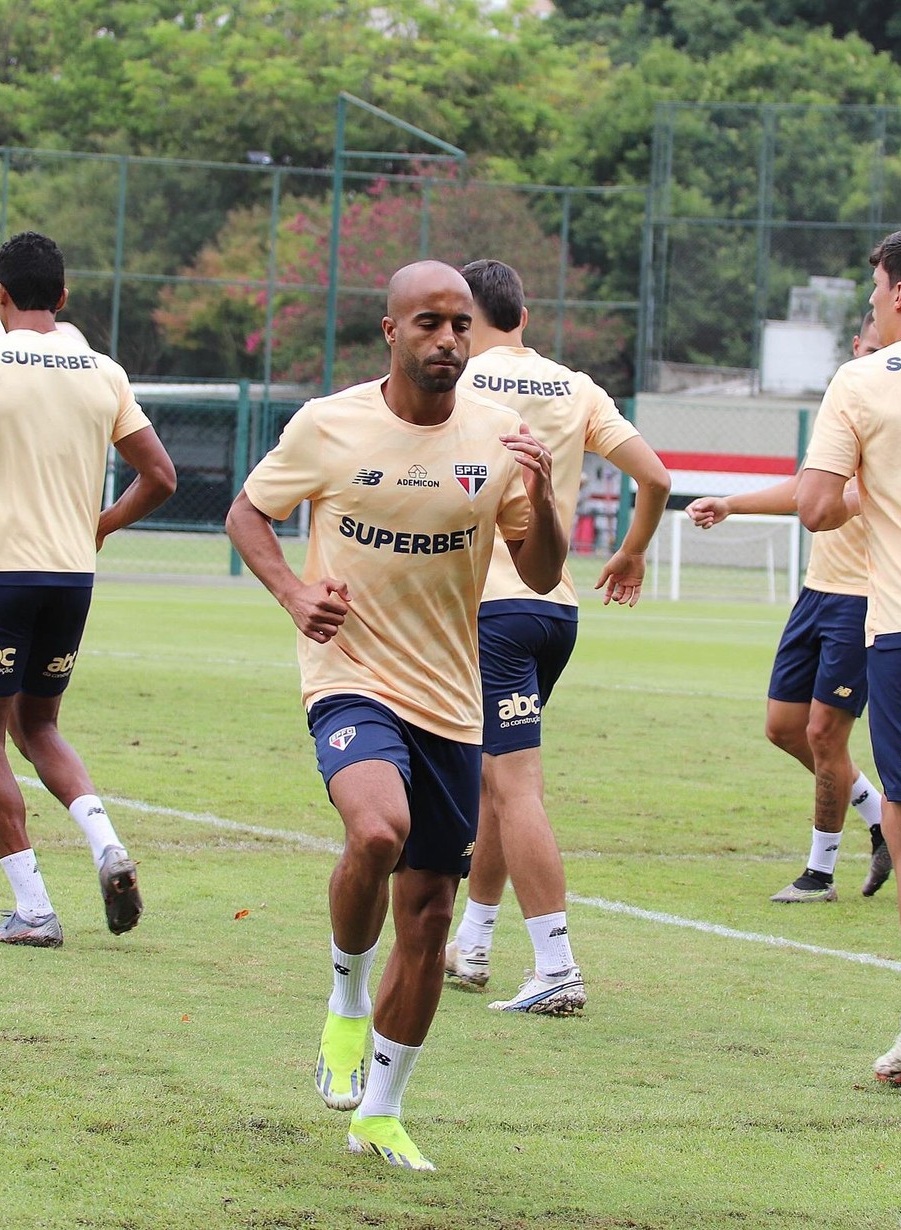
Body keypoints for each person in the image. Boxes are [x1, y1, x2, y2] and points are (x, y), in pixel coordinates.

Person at [225, 260, 566, 1171]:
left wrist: (547, 495)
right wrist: (297, 596)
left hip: (452, 703)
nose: (448, 339)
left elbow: (536, 572)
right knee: (376, 832)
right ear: (391, 331)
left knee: (428, 915)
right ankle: (344, 997)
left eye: (460, 324)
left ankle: (379, 1110)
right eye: (428, 323)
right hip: (351, 677)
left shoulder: (500, 436)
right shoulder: (330, 425)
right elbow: (248, 515)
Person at [444, 258, 670, 1013]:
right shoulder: (574, 386)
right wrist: (633, 548)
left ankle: (556, 966)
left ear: (466, 318)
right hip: (555, 609)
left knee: (515, 785)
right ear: (525, 316)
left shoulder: (461, 381)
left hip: (494, 607)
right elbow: (658, 478)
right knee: (496, 784)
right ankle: (473, 944)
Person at [0, 231, 176, 948]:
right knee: (39, 726)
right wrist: (101, 527)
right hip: (71, 580)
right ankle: (106, 843)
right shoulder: (102, 371)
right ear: (63, 295)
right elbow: (162, 477)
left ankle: (33, 910)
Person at [796, 225, 901, 1085]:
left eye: (878, 284)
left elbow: (816, 507)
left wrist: (873, 481)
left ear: (899, 293)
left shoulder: (862, 378)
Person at [685, 313, 890, 904]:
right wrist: (732, 503)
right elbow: (808, 489)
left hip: (866, 598)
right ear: (856, 347)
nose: (877, 357)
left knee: (826, 734)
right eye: (870, 348)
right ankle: (882, 819)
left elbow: (840, 499)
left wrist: (851, 494)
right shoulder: (847, 404)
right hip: (817, 592)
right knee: (784, 728)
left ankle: (819, 874)